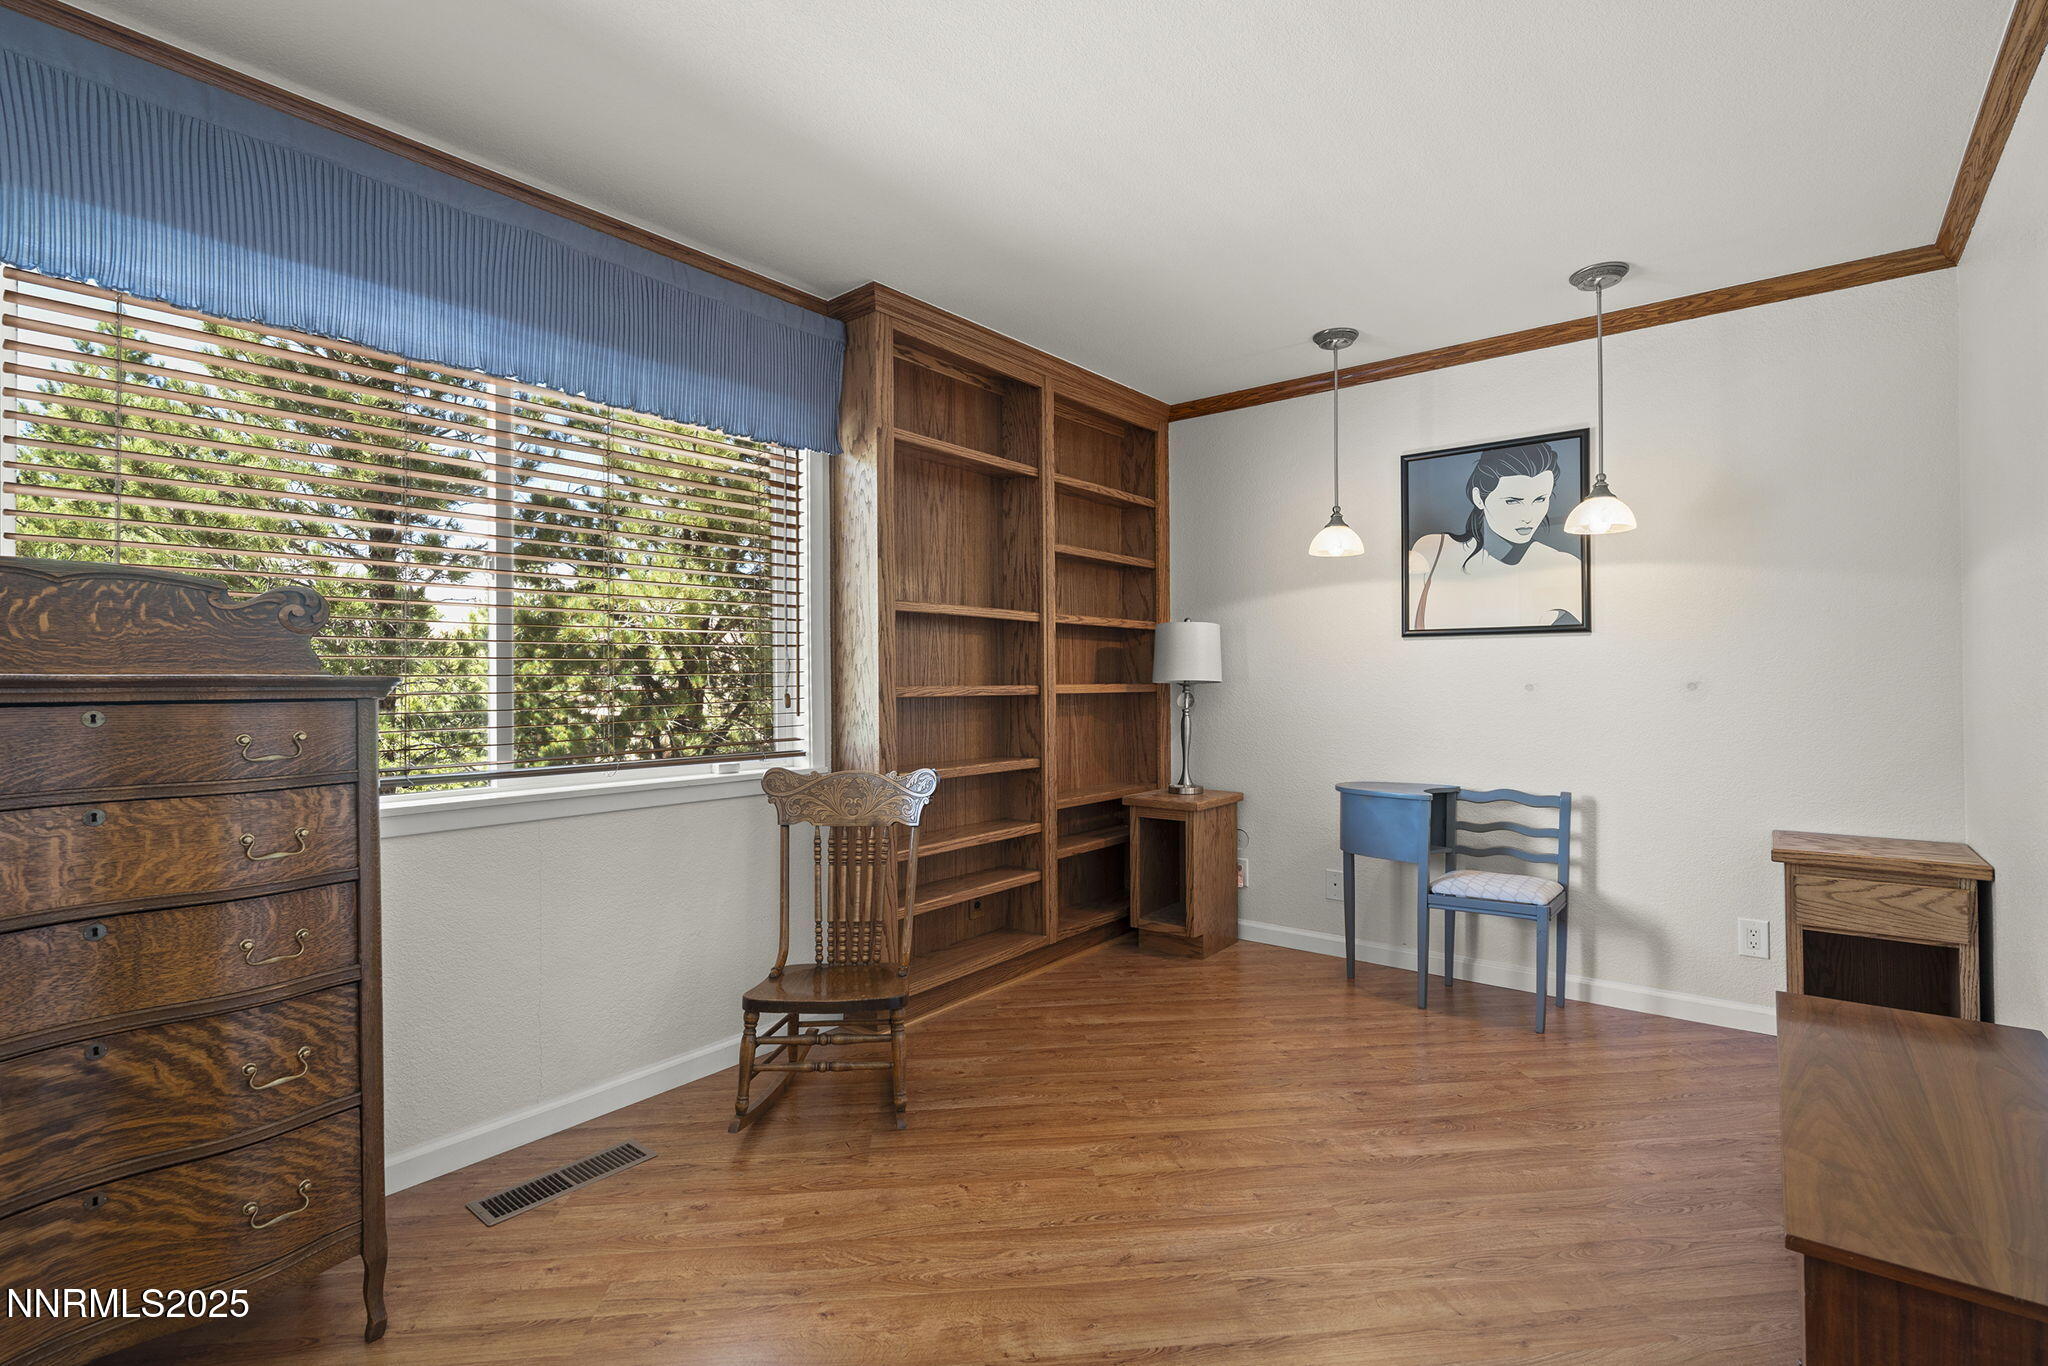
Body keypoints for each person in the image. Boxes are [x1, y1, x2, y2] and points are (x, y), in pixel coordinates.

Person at [1407, 443, 1583, 631]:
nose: (1529, 517)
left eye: (1540, 499)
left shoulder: (1562, 567)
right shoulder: (1432, 549)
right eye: (1512, 501)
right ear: (1479, 498)